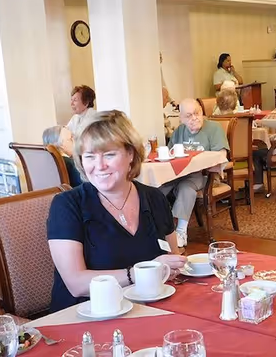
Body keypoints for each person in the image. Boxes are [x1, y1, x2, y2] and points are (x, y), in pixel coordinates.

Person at [47, 110, 186, 313]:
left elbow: (171, 260)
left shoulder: (154, 198)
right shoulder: (67, 205)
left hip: (146, 309)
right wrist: (137, 274)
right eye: (90, 156)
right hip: (87, 318)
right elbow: (76, 284)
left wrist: (171, 267)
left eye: (109, 154)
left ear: (131, 154)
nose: (99, 166)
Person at [160, 99, 229, 247]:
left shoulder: (214, 128)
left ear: (202, 112)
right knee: (157, 189)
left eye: (197, 113)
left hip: (204, 175)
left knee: (186, 188)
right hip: (179, 174)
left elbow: (222, 155)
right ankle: (157, 229)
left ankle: (181, 231)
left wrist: (199, 164)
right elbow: (171, 154)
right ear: (182, 118)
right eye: (189, 115)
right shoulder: (179, 131)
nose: (194, 118)